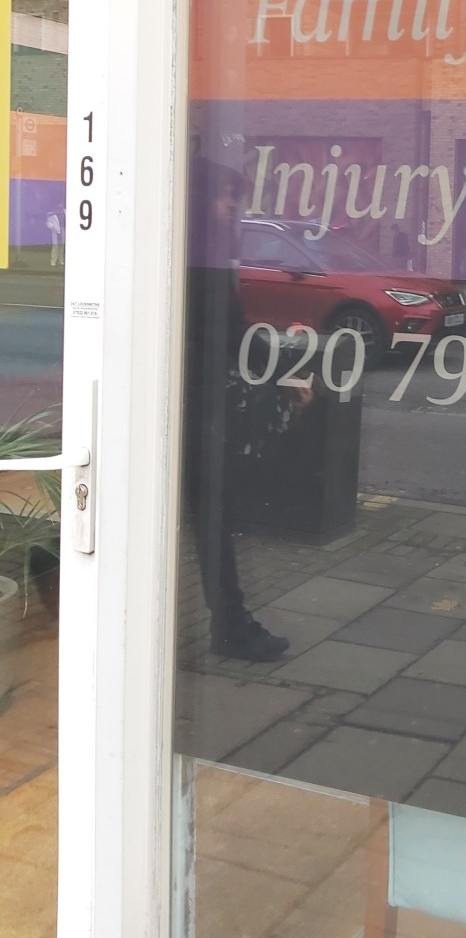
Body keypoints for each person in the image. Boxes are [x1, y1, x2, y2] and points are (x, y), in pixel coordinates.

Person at [183, 157, 294, 662]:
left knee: (208, 516)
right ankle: (232, 627)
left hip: (187, 403)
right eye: (224, 195)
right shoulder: (196, 258)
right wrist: (282, 369)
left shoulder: (200, 252)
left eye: (236, 196)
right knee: (212, 515)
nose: (232, 205)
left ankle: (231, 623)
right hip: (187, 407)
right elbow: (224, 335)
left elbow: (230, 334)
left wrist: (276, 362)